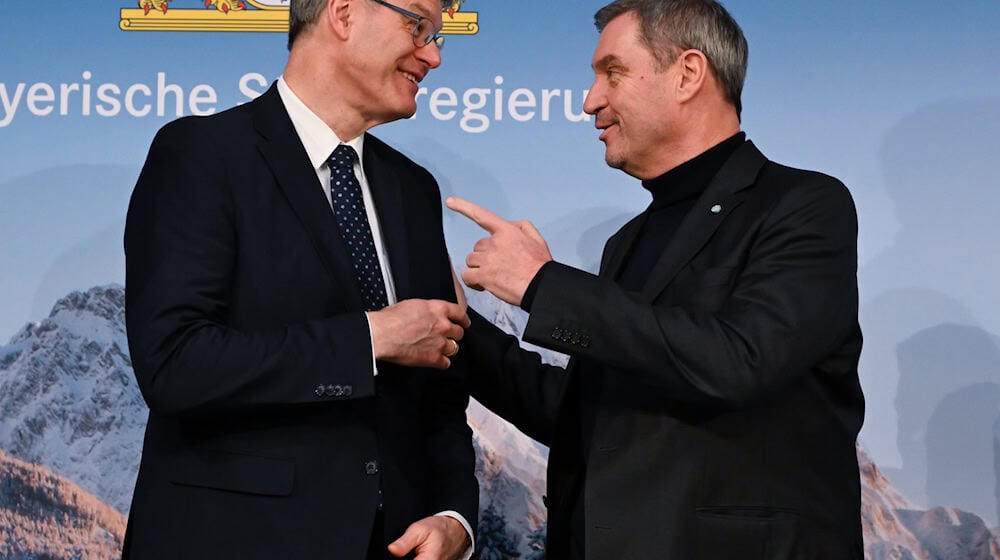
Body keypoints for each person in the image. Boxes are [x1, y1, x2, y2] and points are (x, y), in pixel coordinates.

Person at [447, 0, 864, 558]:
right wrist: (457, 325)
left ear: (688, 73)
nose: (590, 100)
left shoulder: (805, 206)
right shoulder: (628, 242)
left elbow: (743, 360)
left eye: (612, 73)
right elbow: (583, 414)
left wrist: (543, 285)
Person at [122, 0, 478, 558]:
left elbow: (442, 389)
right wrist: (371, 339)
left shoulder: (414, 190)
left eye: (438, 36)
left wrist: (455, 514)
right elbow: (174, 364)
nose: (432, 55)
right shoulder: (201, 155)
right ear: (343, 13)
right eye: (418, 26)